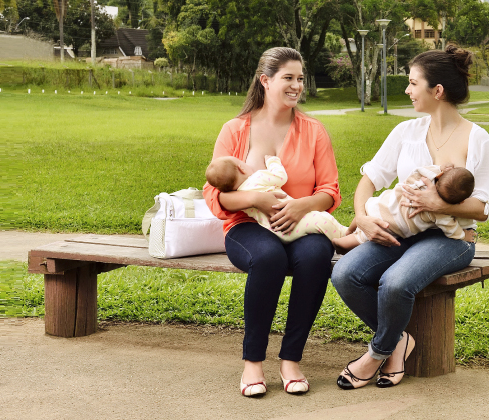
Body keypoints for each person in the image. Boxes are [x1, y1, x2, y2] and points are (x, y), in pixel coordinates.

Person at [331, 45, 489, 390]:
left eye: (412, 83)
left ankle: (376, 354)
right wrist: (361, 217)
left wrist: (437, 204)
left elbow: (483, 208)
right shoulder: (406, 132)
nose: (407, 90)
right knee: (346, 273)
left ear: (437, 91)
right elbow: (371, 178)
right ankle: (399, 340)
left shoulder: (476, 139)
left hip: (450, 239)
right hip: (400, 230)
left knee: (395, 281)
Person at [202, 47, 341, 397]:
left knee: (314, 257)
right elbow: (215, 195)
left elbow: (330, 190)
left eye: (300, 78)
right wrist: (256, 199)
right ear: (265, 81)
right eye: (288, 78)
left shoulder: (313, 131)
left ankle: (291, 359)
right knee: (269, 258)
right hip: (247, 227)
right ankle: (252, 363)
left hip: (301, 222)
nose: (296, 86)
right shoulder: (235, 130)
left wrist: (300, 206)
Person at [331, 164, 475, 254]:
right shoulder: (439, 213)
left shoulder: (425, 175)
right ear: (461, 201)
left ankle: (348, 230)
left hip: (382, 203)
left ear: (441, 175)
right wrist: (464, 235)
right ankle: (339, 243)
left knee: (368, 210)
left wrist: (441, 169)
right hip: (389, 224)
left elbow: (421, 169)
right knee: (360, 238)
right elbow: (451, 230)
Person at [205, 155, 347, 243]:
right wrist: (273, 161)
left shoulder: (240, 199)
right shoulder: (258, 178)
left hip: (278, 232)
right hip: (293, 221)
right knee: (321, 219)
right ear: (241, 168)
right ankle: (343, 237)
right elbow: (280, 177)